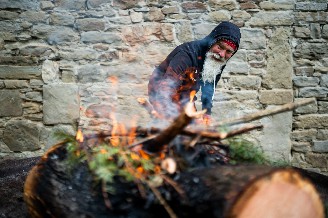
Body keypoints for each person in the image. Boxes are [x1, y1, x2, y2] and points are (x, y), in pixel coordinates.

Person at [148, 21, 241, 124]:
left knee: (194, 126)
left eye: (228, 52)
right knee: (170, 127)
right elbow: (166, 87)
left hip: (186, 94)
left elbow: (209, 87)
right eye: (220, 47)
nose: (222, 54)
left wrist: (207, 113)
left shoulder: (218, 60)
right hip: (161, 90)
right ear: (212, 42)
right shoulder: (186, 55)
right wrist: (168, 115)